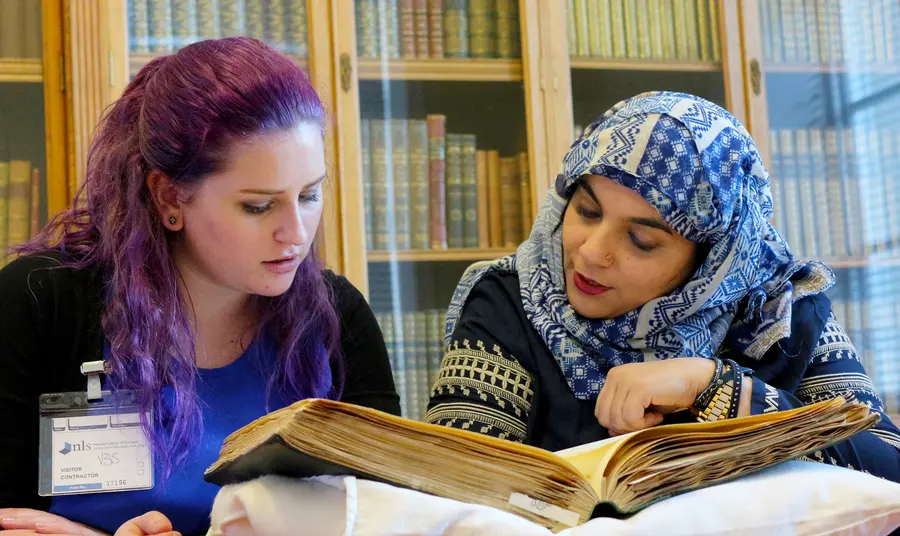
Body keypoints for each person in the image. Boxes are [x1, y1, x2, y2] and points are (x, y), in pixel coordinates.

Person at [0, 37, 400, 535]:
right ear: (170, 195)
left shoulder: (338, 319)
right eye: (258, 205)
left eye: (310, 194)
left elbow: (389, 519)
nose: (296, 234)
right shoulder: (40, 304)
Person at [426, 91, 900, 481]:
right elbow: (452, 485)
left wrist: (715, 387)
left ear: (712, 262)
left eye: (640, 240)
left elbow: (888, 475)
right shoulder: (516, 298)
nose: (591, 252)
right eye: (587, 211)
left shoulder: (778, 310)